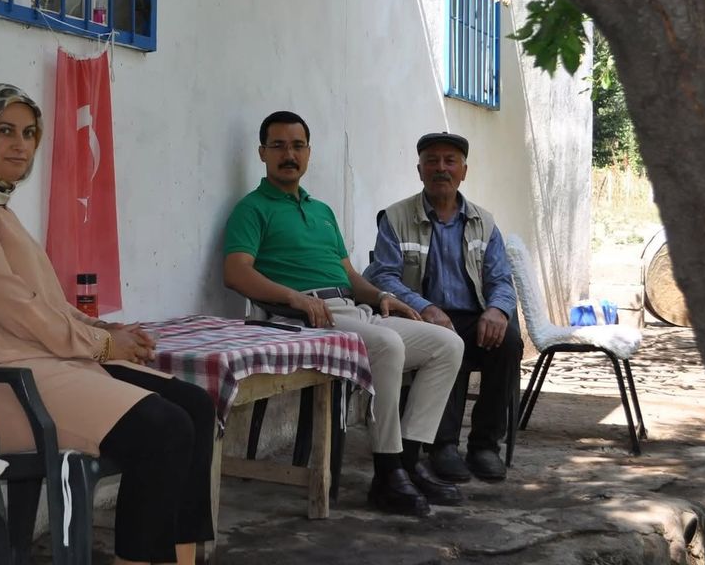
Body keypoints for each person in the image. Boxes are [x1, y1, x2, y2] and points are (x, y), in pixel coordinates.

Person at [0, 83, 214, 565]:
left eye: (29, 133)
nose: (20, 144)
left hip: (38, 364)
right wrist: (100, 347)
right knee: (163, 429)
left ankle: (183, 559)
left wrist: (106, 335)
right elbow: (14, 307)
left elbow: (43, 300)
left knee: (193, 404)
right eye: (4, 131)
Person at [222, 111, 466, 518]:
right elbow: (235, 272)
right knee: (387, 345)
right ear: (262, 153)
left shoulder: (321, 211)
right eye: (279, 146)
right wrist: (295, 298)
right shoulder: (252, 209)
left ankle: (408, 462)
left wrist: (387, 296)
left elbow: (351, 276)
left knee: (447, 343)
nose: (289, 154)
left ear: (308, 153)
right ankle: (387, 472)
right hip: (300, 318)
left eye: (297, 146)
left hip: (351, 311)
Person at [362, 132, 521, 484]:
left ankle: (484, 445)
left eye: (450, 161)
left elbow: (501, 279)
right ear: (419, 170)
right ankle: (442, 445)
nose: (441, 169)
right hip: (421, 315)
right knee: (445, 340)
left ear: (464, 170)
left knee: (508, 342)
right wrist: (425, 307)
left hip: (474, 313)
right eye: (432, 161)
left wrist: (497, 309)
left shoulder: (485, 221)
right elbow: (384, 276)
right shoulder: (395, 217)